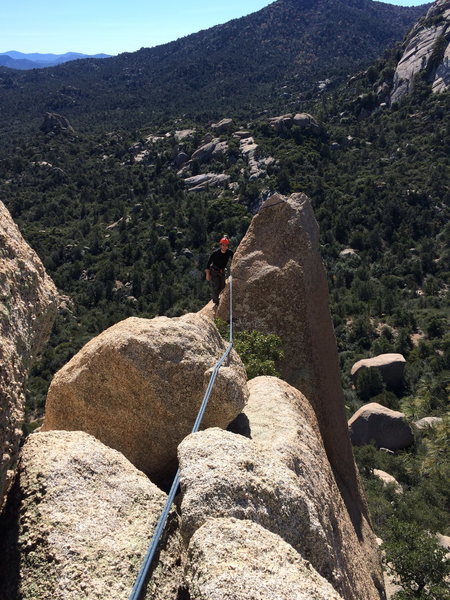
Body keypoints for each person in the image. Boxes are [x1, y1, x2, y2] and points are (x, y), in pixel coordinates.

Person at [205, 236, 233, 307]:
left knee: (223, 286)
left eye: (226, 245)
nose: (224, 247)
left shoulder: (229, 253)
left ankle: (218, 298)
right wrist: (208, 274)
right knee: (216, 286)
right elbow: (208, 264)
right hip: (214, 271)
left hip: (222, 271)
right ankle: (216, 302)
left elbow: (234, 259)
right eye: (223, 245)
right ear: (220, 245)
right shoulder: (215, 253)